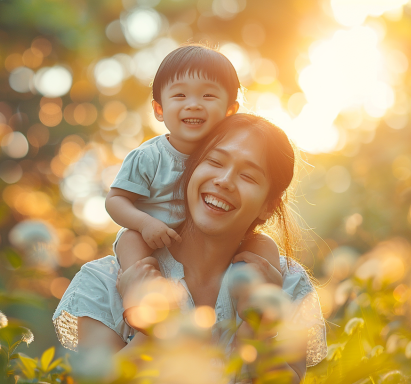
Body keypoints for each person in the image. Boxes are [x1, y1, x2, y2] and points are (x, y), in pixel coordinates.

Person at [53, 114, 327, 383]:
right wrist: (151, 328)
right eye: (215, 161)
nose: (224, 180)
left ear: (269, 205)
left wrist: (257, 332)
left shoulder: (287, 286)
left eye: (248, 176)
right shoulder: (103, 283)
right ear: (189, 169)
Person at [105, 44, 282, 296]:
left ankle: (258, 307)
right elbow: (115, 199)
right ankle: (139, 302)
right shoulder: (148, 156)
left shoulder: (228, 155)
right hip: (149, 238)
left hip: (208, 245)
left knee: (264, 244)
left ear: (230, 111)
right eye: (179, 96)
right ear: (159, 109)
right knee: (131, 242)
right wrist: (145, 224)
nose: (194, 105)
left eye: (208, 96)